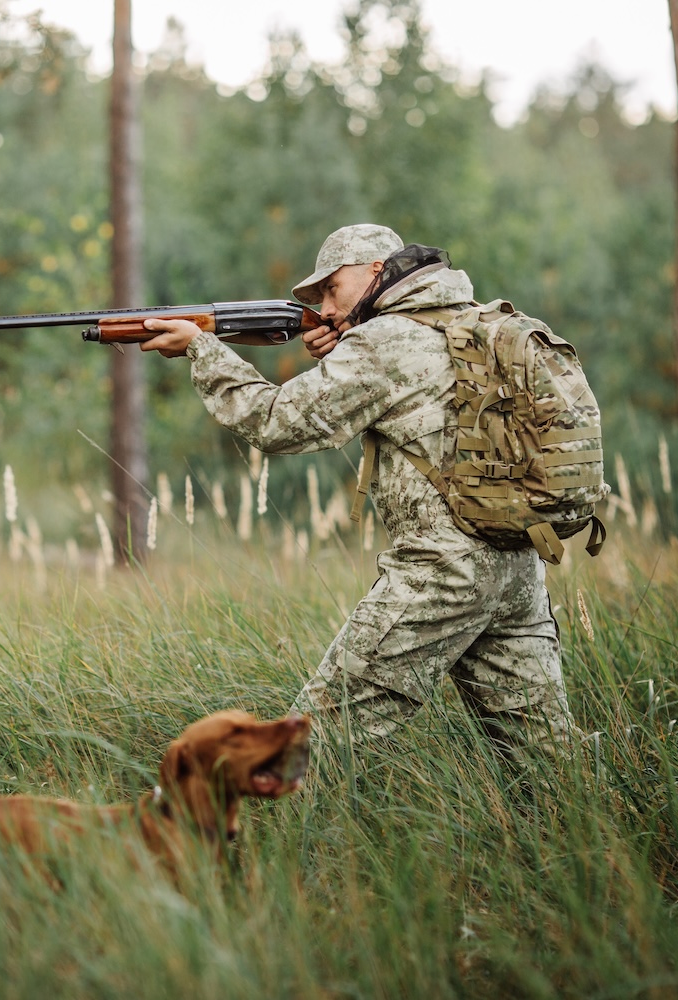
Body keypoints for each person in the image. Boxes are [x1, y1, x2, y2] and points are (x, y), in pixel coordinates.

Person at [138, 223, 575, 755]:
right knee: (551, 762)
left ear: (374, 271)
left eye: (330, 287)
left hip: (441, 574)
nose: (324, 304)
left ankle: (278, 838)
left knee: (313, 746)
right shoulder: (472, 321)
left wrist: (203, 351)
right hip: (518, 568)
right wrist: (344, 345)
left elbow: (277, 421)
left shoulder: (383, 342)